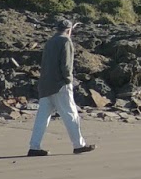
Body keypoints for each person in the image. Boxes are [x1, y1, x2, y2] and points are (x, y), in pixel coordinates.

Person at [28, 17, 95, 156]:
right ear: (69, 30)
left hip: (45, 84)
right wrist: (69, 80)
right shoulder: (66, 41)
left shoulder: (50, 41)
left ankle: (34, 146)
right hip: (60, 85)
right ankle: (78, 145)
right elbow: (66, 65)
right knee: (71, 115)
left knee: (42, 117)